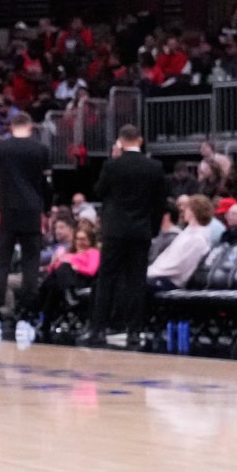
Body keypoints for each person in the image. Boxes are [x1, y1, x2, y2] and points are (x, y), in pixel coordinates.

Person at [90, 124, 166, 346]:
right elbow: (160, 203)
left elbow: (99, 192)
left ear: (120, 142)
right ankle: (134, 331)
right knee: (136, 281)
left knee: (107, 280)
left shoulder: (112, 166)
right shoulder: (154, 167)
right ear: (140, 141)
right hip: (140, 232)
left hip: (114, 232)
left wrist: (114, 158)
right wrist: (152, 230)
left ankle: (98, 330)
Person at [0, 110, 52, 327]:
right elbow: (47, 184)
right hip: (33, 211)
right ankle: (29, 313)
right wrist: (47, 212)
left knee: (1, 262)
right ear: (30, 127)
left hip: (7, 211)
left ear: (11, 127)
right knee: (31, 263)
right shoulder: (41, 150)